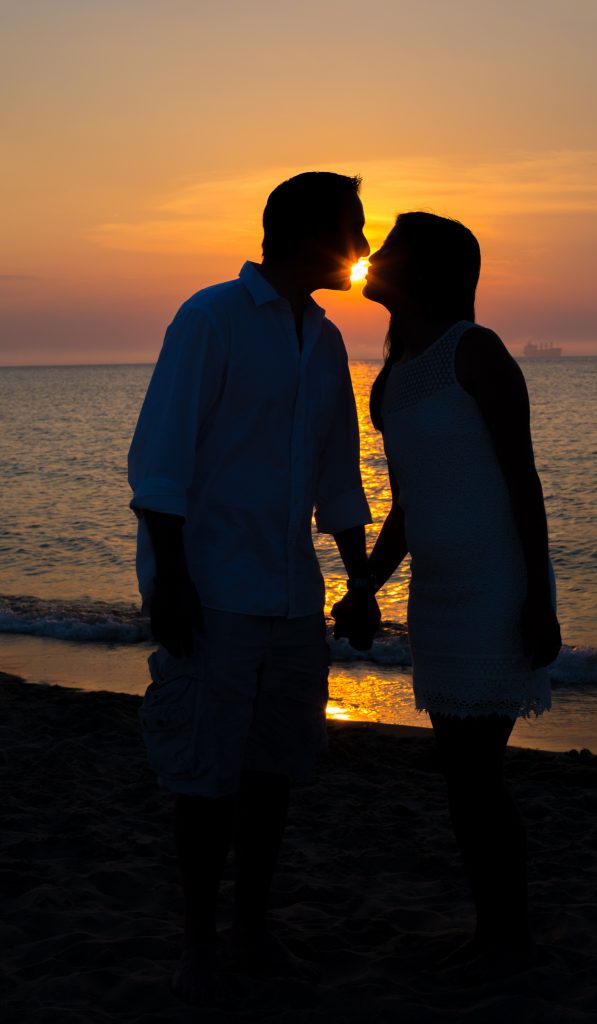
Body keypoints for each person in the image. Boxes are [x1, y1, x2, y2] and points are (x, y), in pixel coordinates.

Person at [128, 171, 379, 1005]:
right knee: (206, 774)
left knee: (274, 769)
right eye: (352, 227)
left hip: (290, 596)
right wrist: (170, 582)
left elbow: (338, 475)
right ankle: (199, 941)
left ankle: (254, 929)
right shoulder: (210, 319)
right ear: (304, 232)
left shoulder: (326, 338)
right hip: (213, 589)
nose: (364, 244)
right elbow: (161, 460)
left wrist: (360, 581)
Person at [332, 212, 561, 976]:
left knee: (476, 777)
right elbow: (407, 501)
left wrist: (539, 599)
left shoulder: (478, 353)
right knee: (461, 778)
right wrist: (366, 582)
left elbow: (520, 482)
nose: (371, 259)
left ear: (427, 270)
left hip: (494, 591)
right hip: (434, 600)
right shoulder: (393, 377)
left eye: (388, 249)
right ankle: (494, 932)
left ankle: (507, 936)